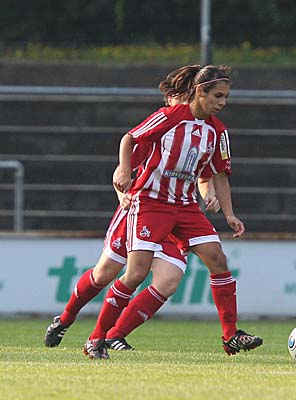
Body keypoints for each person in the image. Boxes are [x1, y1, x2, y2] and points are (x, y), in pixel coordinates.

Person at [85, 64, 261, 359]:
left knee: (218, 259)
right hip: (151, 203)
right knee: (136, 274)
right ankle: (96, 338)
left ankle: (230, 336)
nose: (222, 102)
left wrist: (229, 214)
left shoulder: (218, 132)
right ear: (200, 92)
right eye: (217, 96)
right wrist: (125, 168)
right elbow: (129, 138)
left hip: (185, 206)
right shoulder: (170, 117)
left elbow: (219, 175)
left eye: (226, 97)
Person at [44, 67, 222, 350]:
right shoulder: (157, 131)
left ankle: (114, 335)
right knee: (105, 274)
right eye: (175, 98)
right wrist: (122, 195)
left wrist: (209, 195)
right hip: (140, 212)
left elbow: (204, 176)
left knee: (168, 281)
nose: (178, 104)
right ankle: (65, 319)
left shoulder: (202, 133)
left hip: (176, 216)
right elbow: (123, 173)